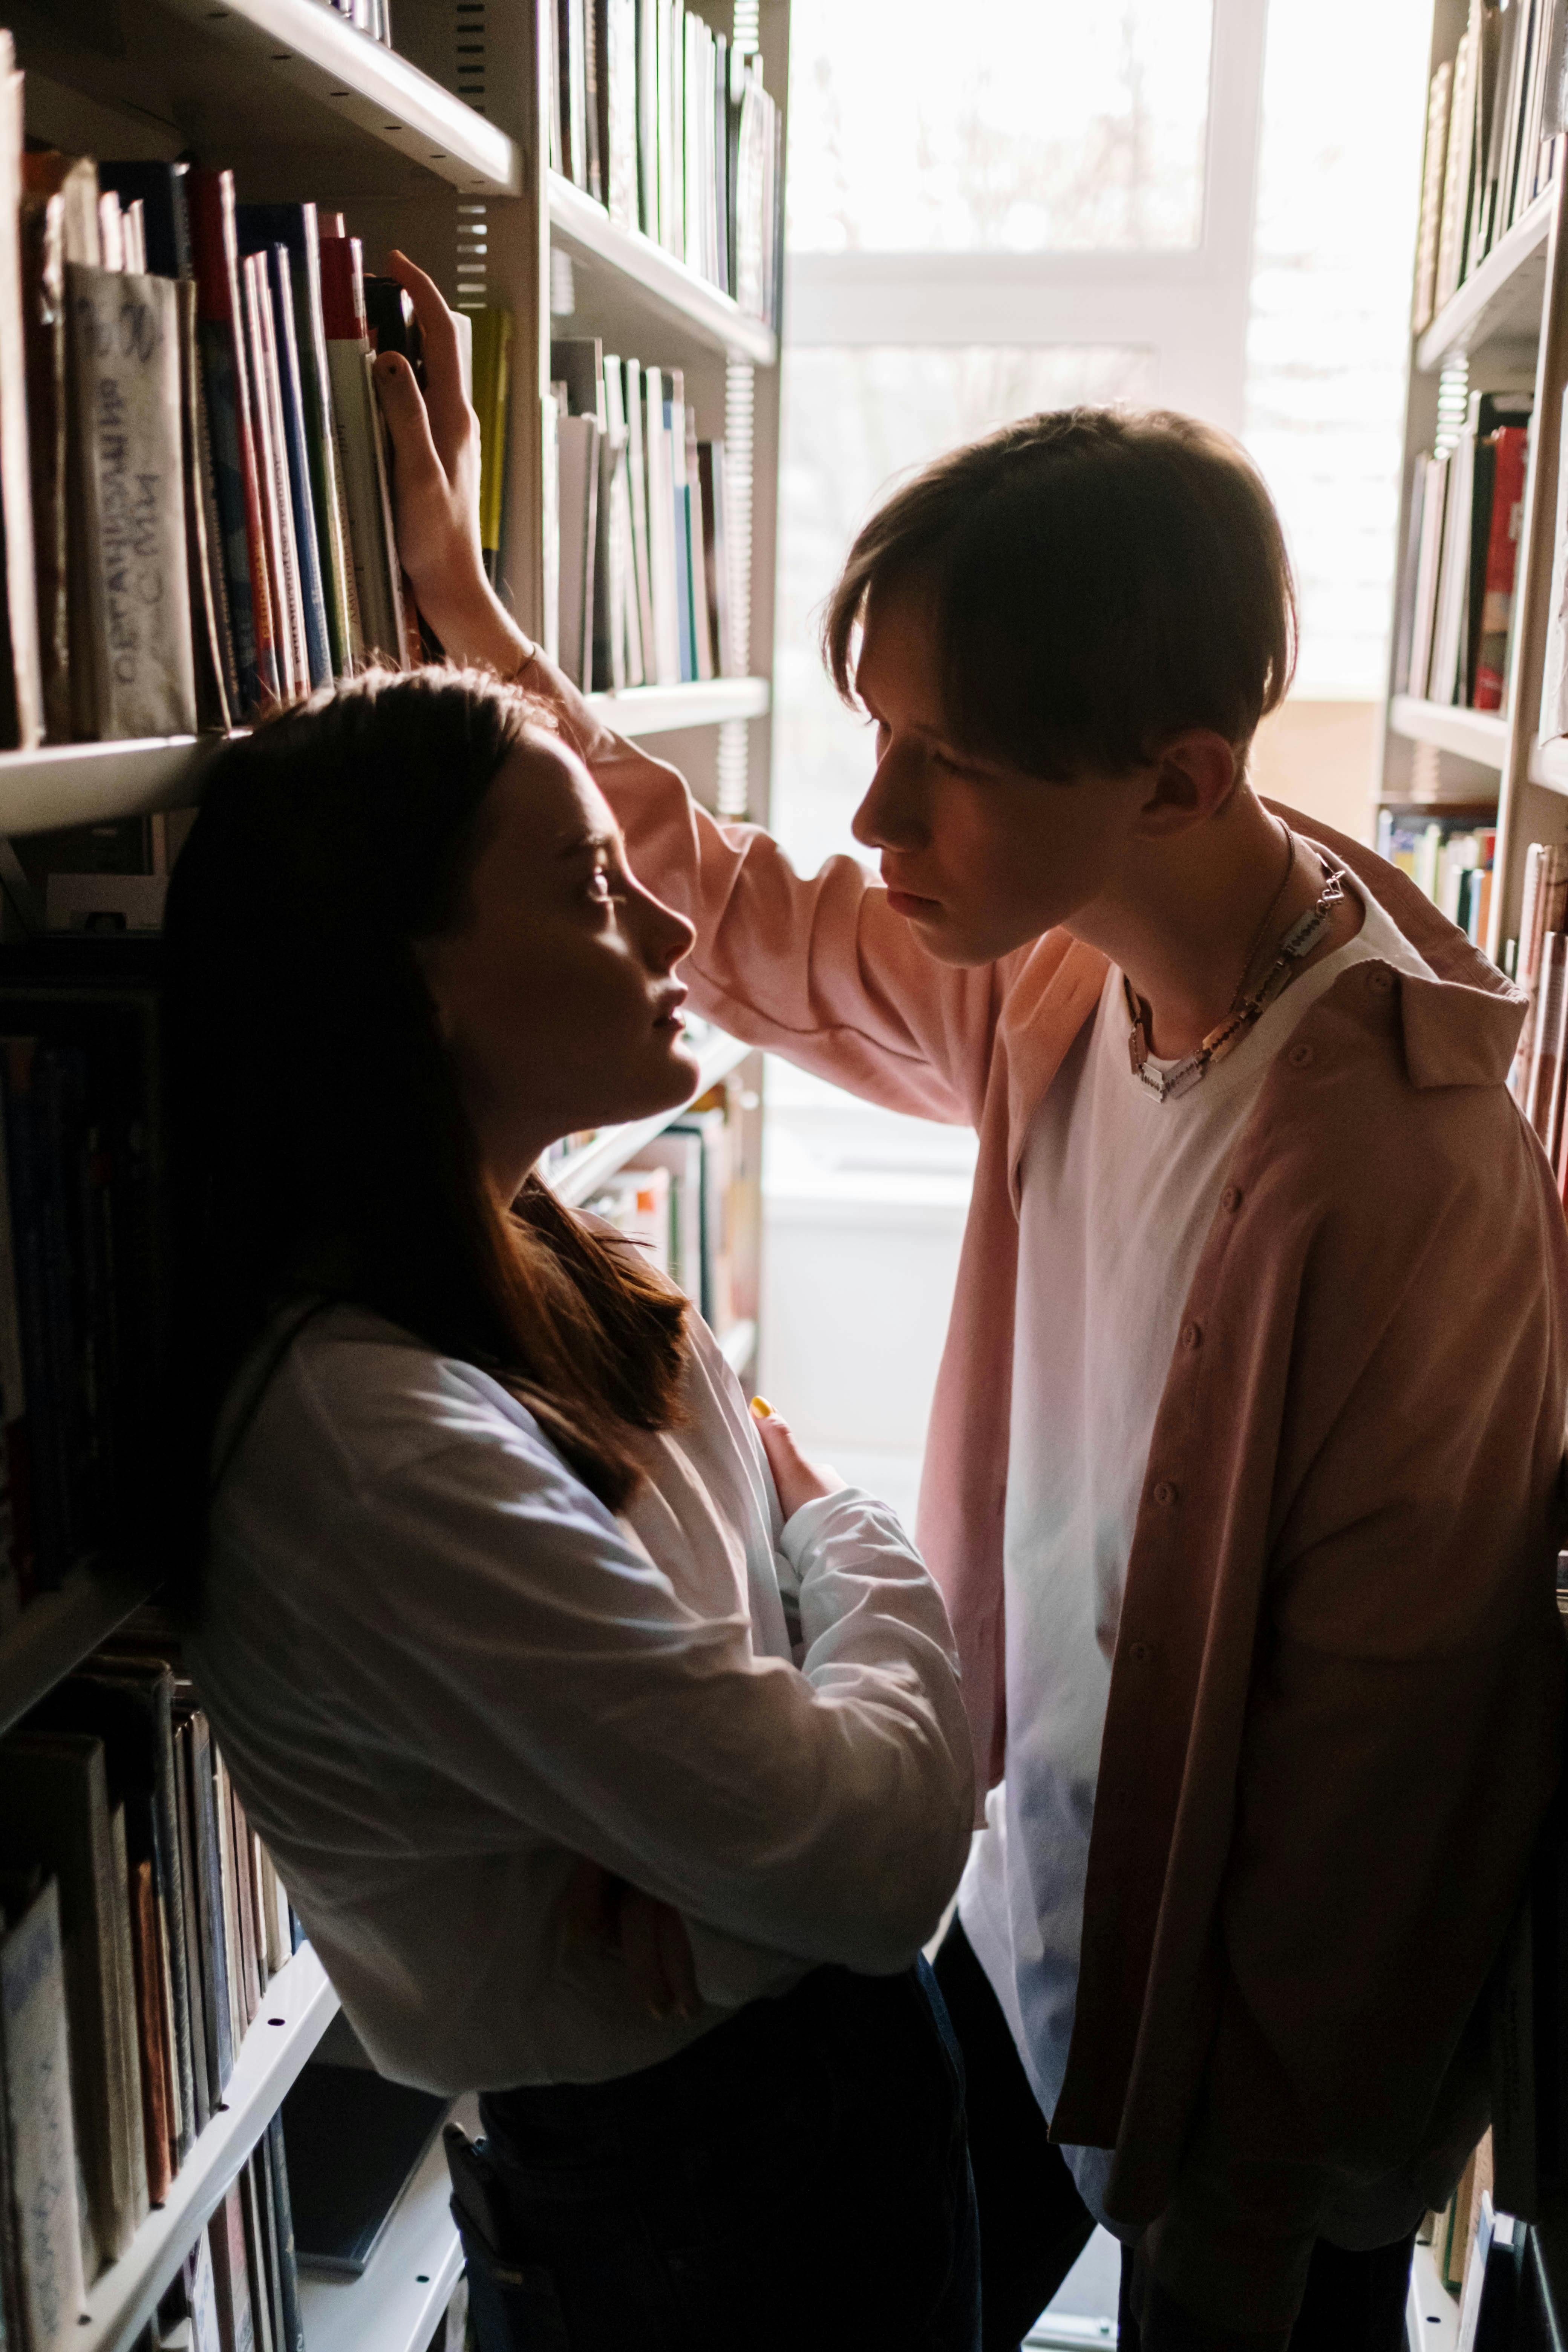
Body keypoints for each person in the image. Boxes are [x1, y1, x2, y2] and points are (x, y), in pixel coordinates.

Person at [369, 253, 1568, 2352]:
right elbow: (729, 903)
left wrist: (1246, 2219)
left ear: (1184, 779)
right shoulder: (1063, 954)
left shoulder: (1405, 1169)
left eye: (945, 761)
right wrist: (474, 625)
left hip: (1259, 2083)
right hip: (1034, 1907)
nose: (875, 818)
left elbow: (1388, 1785)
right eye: (878, 735)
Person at [166, 664, 980, 2352]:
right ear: (413, 980)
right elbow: (874, 1861)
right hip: (683, 2201)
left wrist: (724, 1845)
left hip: (799, 2111)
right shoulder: (370, 1446)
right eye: (591, 892)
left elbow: (773, 1686)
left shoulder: (549, 1258)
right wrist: (850, 1559)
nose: (674, 941)